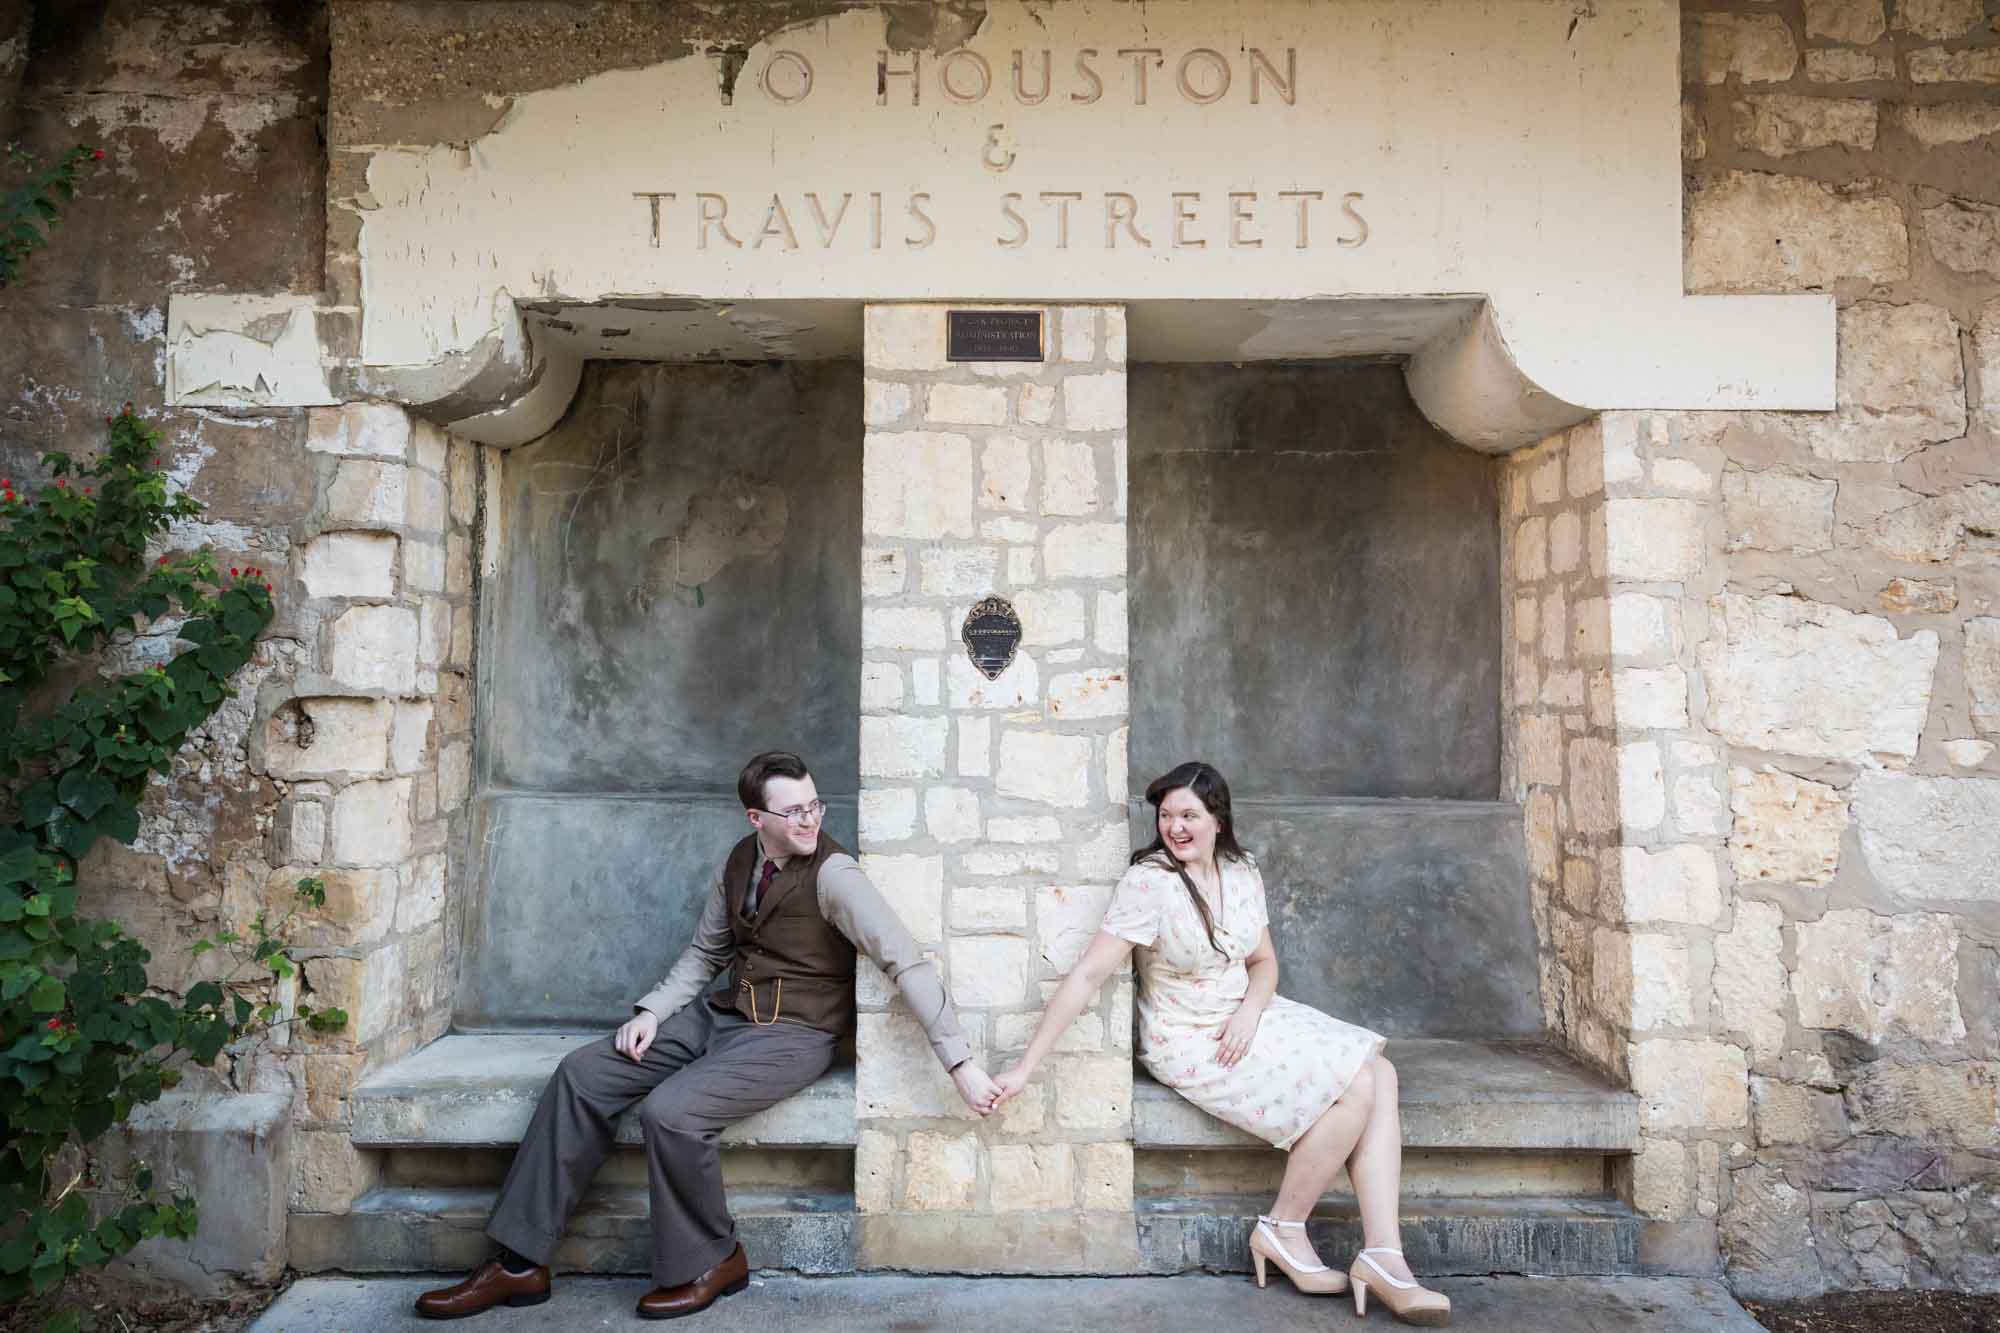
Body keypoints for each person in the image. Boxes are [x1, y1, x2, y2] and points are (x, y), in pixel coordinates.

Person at [416, 751, 1001, 1321]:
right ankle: (520, 1262)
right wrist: (652, 1011)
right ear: (757, 819)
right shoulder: (741, 859)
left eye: (814, 805)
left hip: (793, 1034)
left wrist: (960, 1063)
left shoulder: (835, 876)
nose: (810, 819)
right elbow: (705, 953)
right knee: (583, 1074)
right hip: (723, 1016)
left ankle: (714, 1260)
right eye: (793, 811)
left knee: (671, 1112)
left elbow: (906, 962)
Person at [992, 760, 1450, 1326]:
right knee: (1358, 1085)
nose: (1175, 827)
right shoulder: (1149, 883)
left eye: (1189, 814)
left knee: (1383, 1073)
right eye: (1166, 816)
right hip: (1187, 1037)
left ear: (1217, 819)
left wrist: (1251, 1013)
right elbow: (1087, 975)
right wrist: (1024, 1066)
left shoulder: (1241, 871)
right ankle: (1283, 1227)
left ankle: (1384, 1255)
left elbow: (1263, 963)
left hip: (1247, 1017)